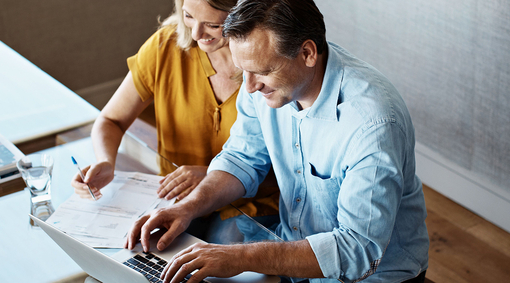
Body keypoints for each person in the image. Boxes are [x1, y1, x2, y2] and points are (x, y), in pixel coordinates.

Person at [125, 0, 430, 282]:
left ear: (308, 53)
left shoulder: (372, 124)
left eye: (262, 72)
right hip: (296, 261)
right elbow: (241, 159)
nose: (250, 87)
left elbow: (358, 250)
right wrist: (188, 208)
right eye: (243, 71)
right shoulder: (263, 84)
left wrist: (241, 257)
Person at [70, 0, 279, 244]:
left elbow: (289, 170)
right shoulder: (164, 46)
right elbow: (111, 119)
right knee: (138, 245)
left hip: (250, 202)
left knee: (222, 251)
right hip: (175, 198)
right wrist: (106, 161)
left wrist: (212, 175)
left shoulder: (265, 65)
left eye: (212, 24)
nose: (196, 34)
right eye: (188, 16)